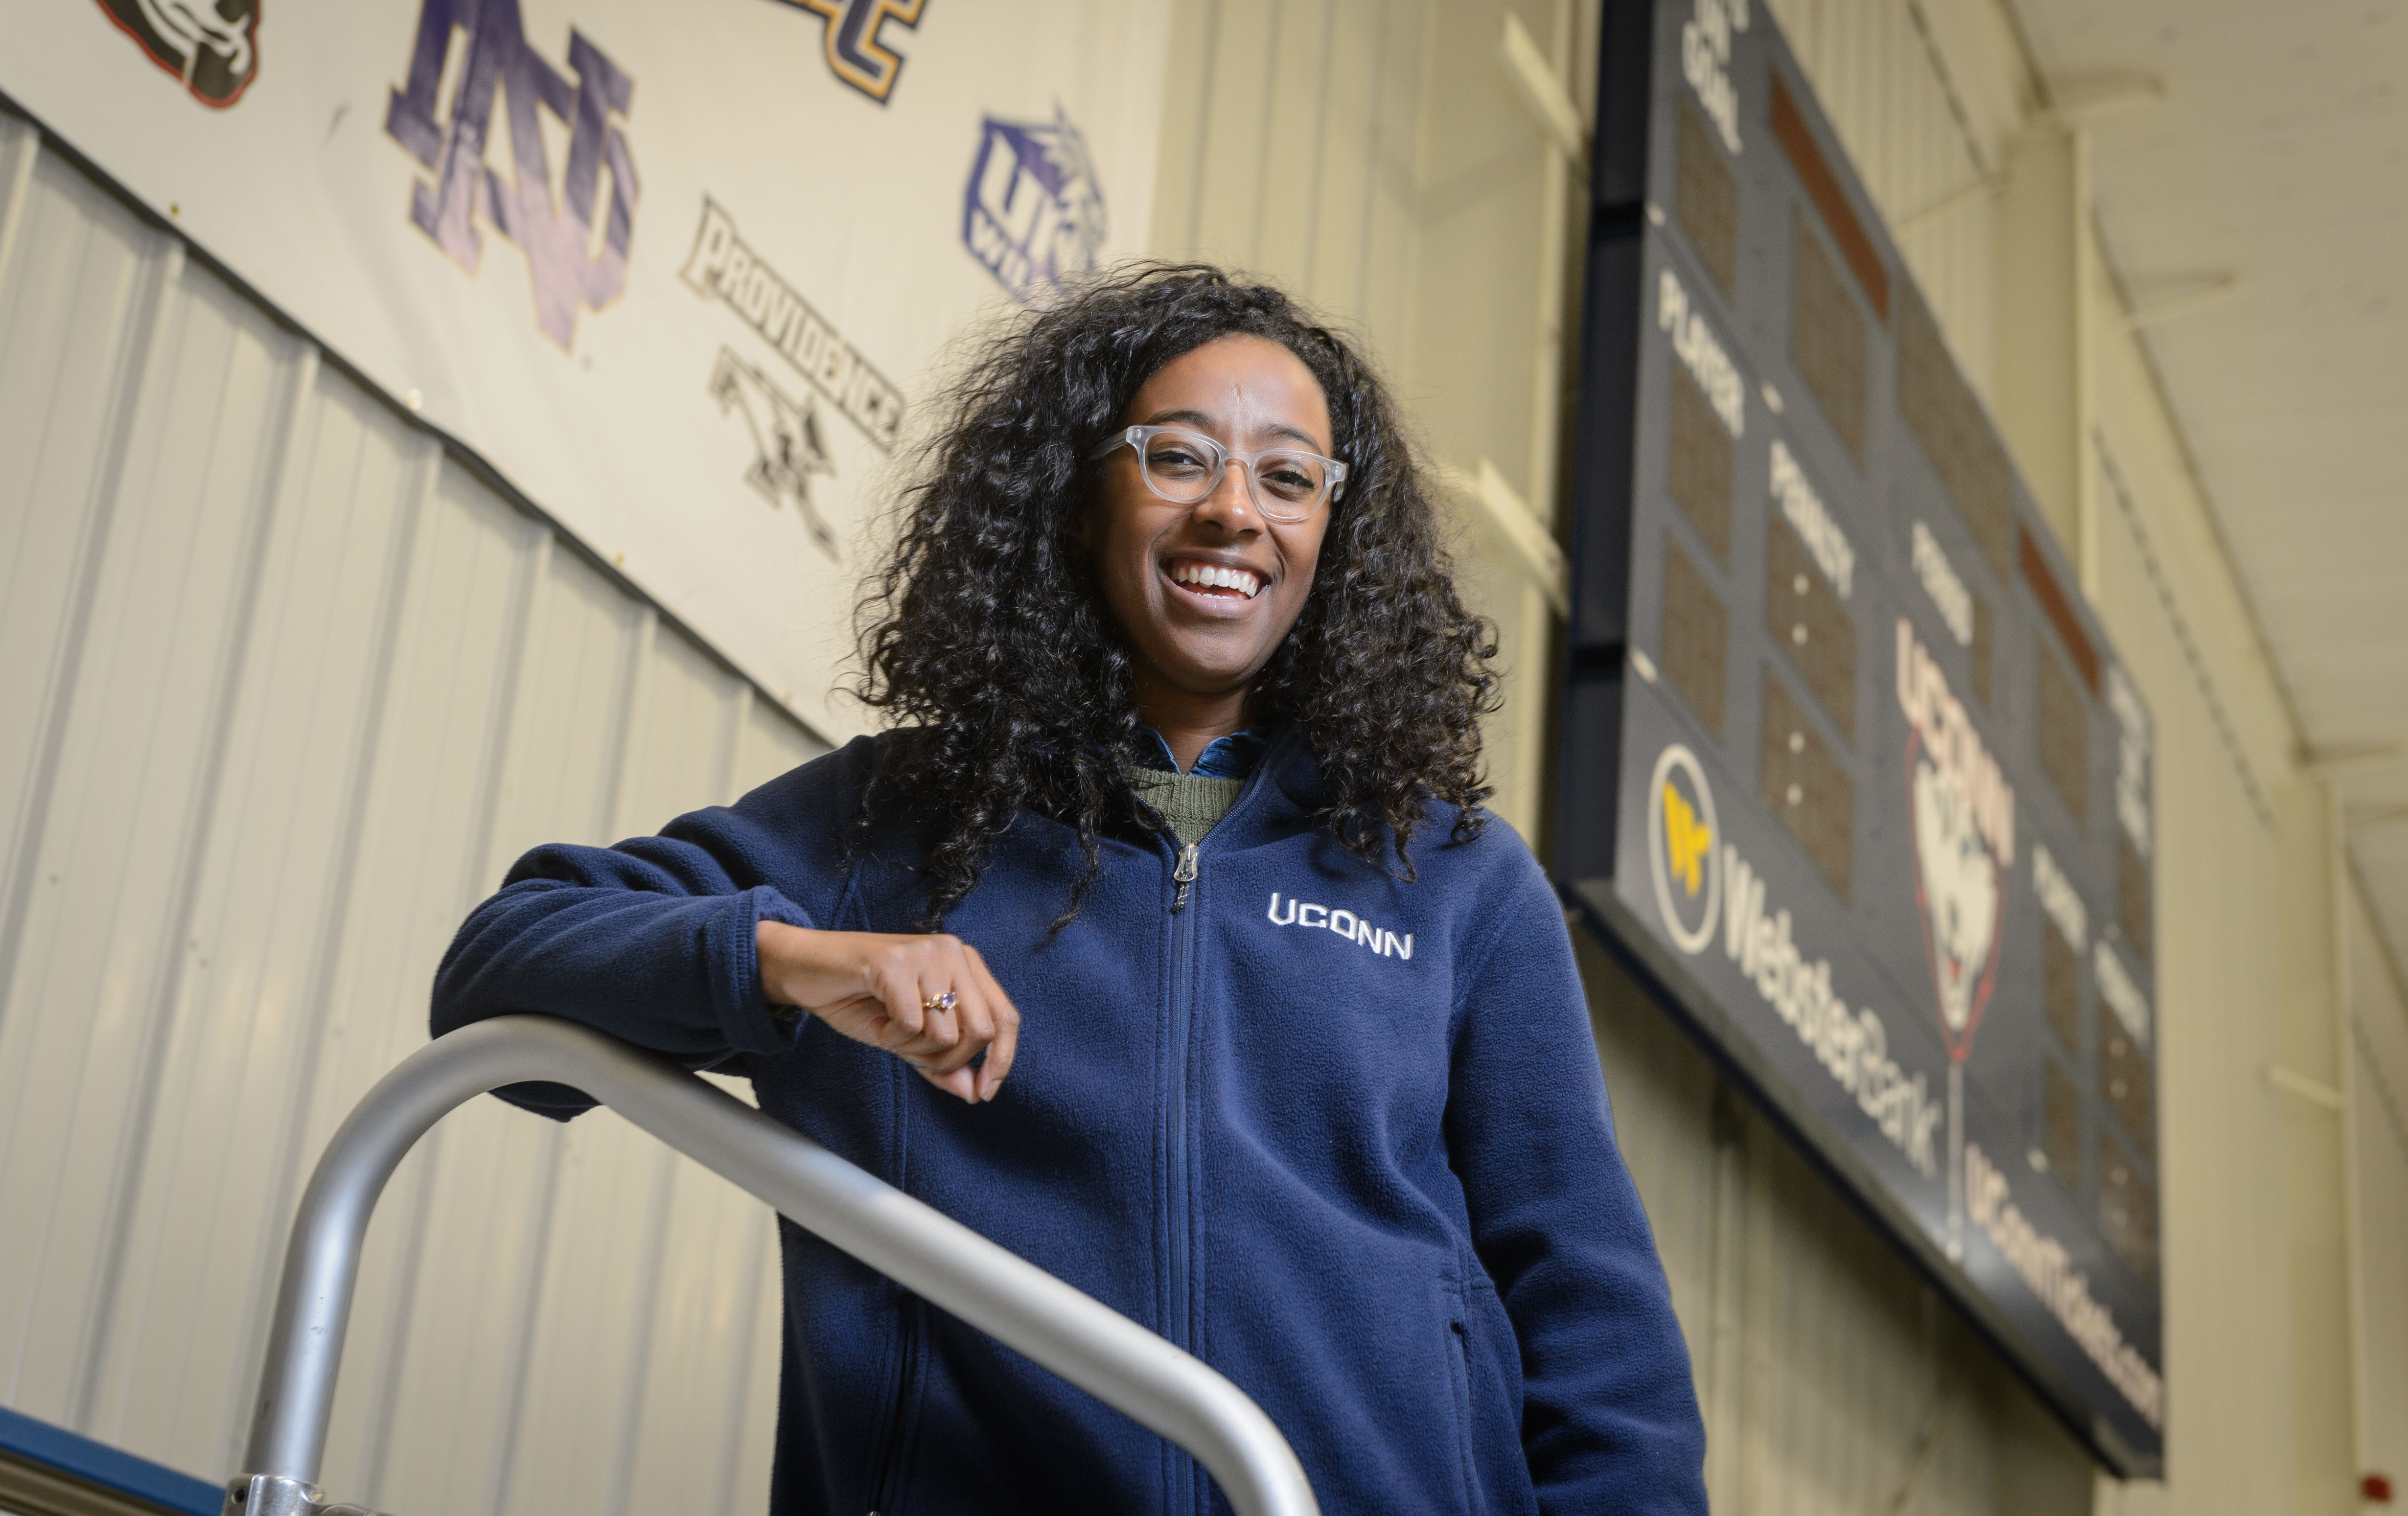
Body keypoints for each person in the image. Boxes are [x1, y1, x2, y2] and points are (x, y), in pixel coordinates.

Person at [431, 265, 1707, 1514]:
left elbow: (1596, 1331)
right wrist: (807, 963)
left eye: (1287, 478)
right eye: (1178, 457)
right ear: (1081, 503)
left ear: (1337, 536)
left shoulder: (1458, 884)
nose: (1234, 513)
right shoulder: (895, 829)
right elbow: (497, 969)